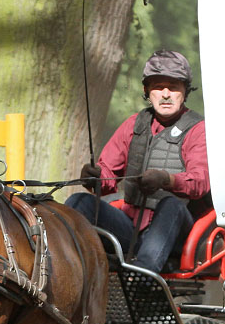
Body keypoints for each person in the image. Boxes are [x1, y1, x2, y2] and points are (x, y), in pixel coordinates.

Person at [67, 50, 209, 272]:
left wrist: (166, 179)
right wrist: (92, 176)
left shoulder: (198, 129)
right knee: (79, 202)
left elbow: (201, 182)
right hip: (132, 229)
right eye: (157, 87)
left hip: (179, 233)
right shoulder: (134, 125)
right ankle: (61, 267)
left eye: (173, 87)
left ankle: (142, 278)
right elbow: (107, 177)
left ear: (185, 91)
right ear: (146, 91)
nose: (165, 94)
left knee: (170, 204)